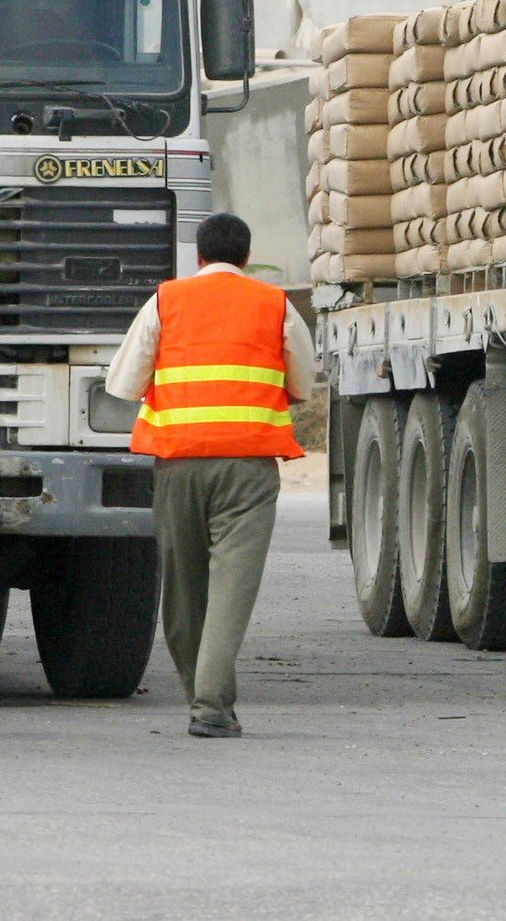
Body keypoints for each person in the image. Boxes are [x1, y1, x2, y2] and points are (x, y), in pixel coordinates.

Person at [105, 212, 313, 738]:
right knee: (230, 592)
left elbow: (123, 384)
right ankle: (212, 707)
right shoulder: (275, 304)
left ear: (198, 256)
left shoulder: (165, 301)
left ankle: (203, 698)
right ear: (247, 257)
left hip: (178, 467)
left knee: (184, 592)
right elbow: (303, 384)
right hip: (248, 471)